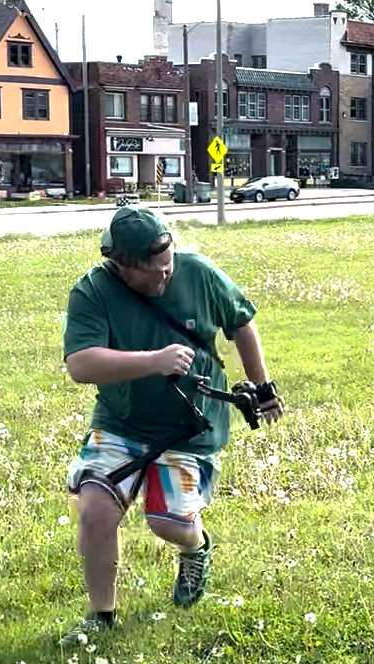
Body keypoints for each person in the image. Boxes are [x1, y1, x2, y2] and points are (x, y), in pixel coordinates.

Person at [59, 207, 284, 645]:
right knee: (95, 510)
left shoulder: (196, 271)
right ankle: (100, 616)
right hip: (122, 420)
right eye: (154, 273)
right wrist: (154, 361)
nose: (166, 277)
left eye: (169, 267)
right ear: (122, 266)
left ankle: (195, 547)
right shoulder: (92, 291)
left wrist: (263, 387)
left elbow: (241, 322)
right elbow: (81, 365)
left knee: (167, 521)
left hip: (190, 424)